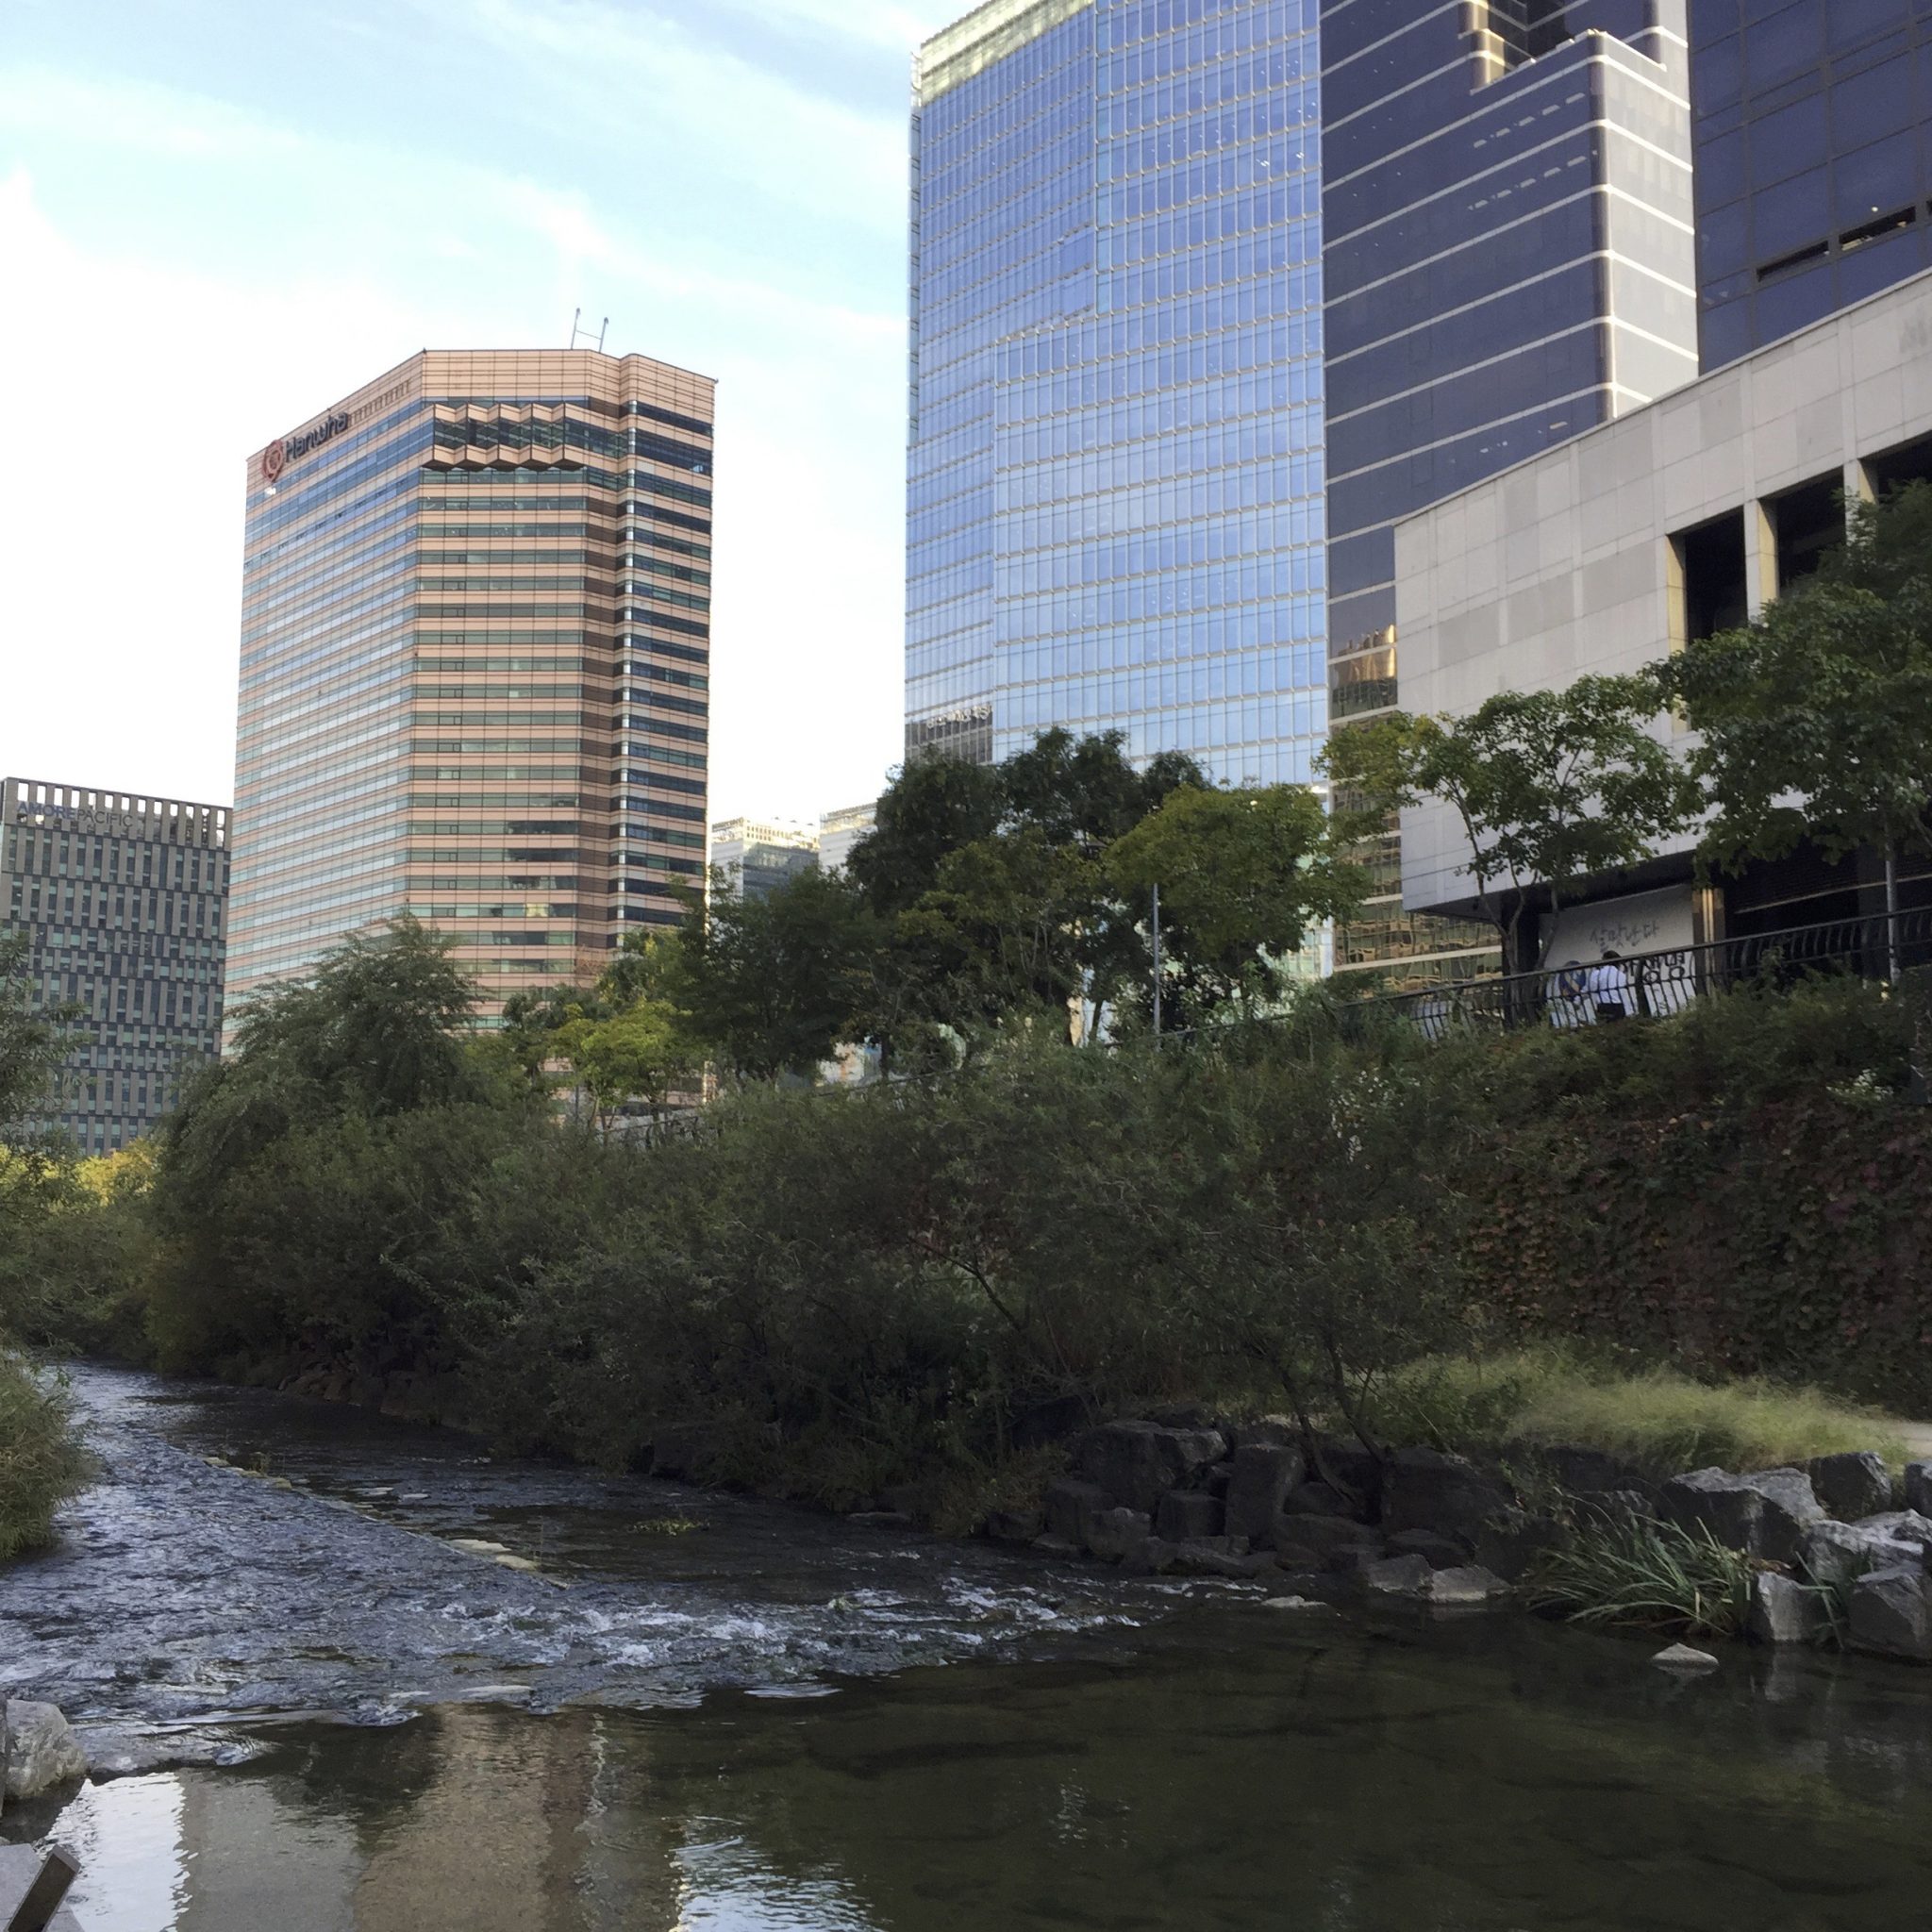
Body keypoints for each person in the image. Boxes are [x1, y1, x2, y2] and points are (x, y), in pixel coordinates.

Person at [1585, 949, 1634, 1023]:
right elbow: (1623, 994)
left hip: (1604, 1005)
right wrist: (1629, 1011)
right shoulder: (1621, 975)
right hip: (1619, 1006)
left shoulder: (1598, 973)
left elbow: (1592, 988)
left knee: (1606, 1027)